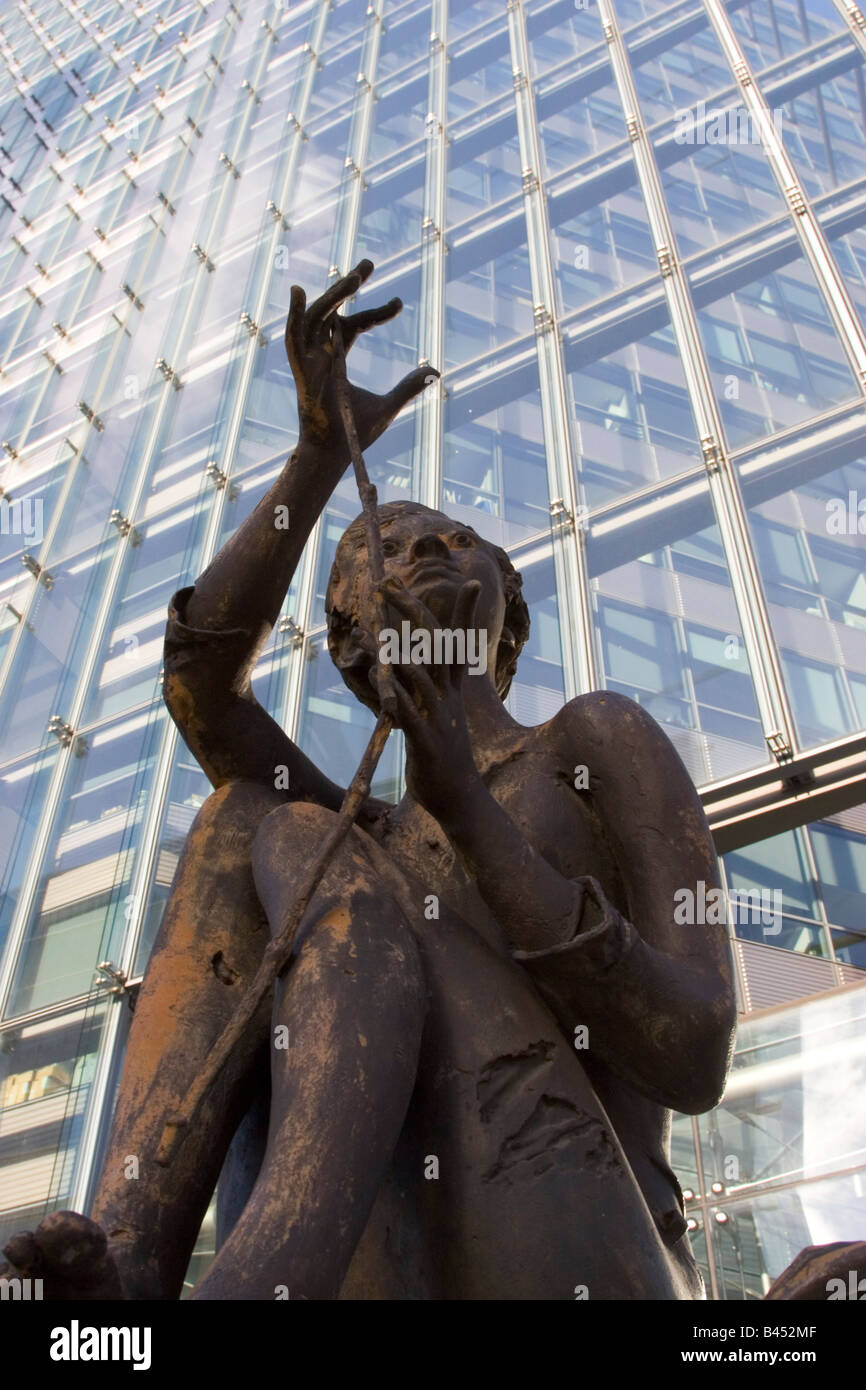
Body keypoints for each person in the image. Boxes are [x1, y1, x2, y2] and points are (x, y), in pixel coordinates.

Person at [1, 260, 735, 1300]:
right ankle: (132, 1251)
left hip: (573, 1234)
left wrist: (473, 815)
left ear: (509, 613)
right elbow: (201, 688)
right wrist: (314, 457)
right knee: (242, 817)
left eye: (457, 537)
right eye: (385, 541)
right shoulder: (365, 838)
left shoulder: (591, 737)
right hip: (384, 1256)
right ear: (348, 639)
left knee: (300, 837)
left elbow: (694, 1050)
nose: (427, 539)